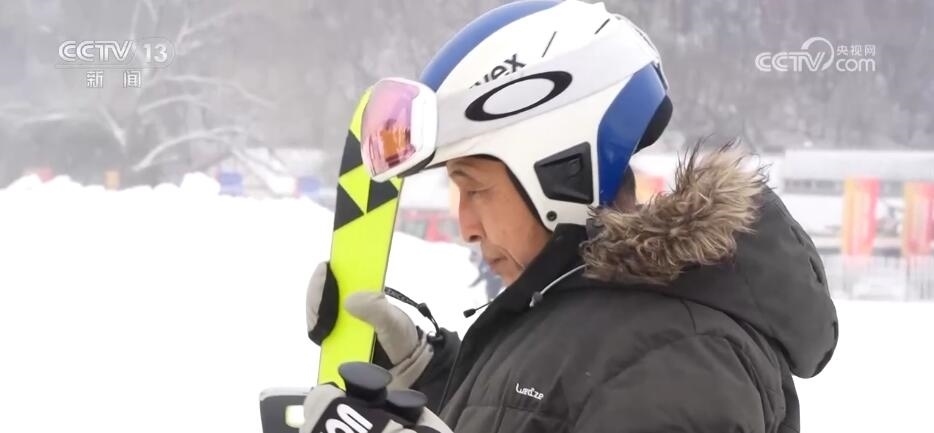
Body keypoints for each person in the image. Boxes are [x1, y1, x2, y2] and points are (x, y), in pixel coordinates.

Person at [302, 1, 839, 432]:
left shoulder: (678, 359)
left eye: (476, 189)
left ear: (561, 169)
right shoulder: (570, 317)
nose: (466, 226)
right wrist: (428, 374)